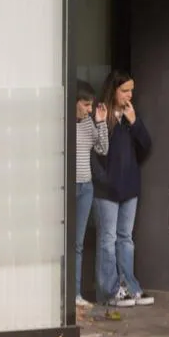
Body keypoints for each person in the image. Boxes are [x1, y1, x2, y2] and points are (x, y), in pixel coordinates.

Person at [91, 71, 154, 309]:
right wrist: (102, 178)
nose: (129, 95)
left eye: (131, 90)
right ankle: (110, 290)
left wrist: (135, 122)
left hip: (130, 187)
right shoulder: (101, 114)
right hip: (106, 189)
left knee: (125, 239)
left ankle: (129, 285)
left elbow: (146, 146)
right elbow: (95, 149)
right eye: (125, 90)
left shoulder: (130, 116)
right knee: (107, 239)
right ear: (113, 90)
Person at [75, 80, 108, 308]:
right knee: (64, 245)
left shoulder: (88, 123)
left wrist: (101, 123)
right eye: (86, 105)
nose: (89, 109)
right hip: (66, 187)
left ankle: (75, 294)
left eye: (90, 105)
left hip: (85, 187)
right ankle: (65, 295)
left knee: (77, 244)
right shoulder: (65, 122)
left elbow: (103, 149)